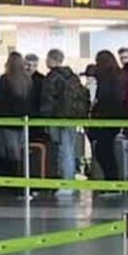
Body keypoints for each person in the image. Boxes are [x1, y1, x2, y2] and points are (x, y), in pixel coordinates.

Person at [38, 50, 89, 185]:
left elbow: (47, 100)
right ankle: (69, 178)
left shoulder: (52, 77)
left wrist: (44, 119)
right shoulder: (72, 76)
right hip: (72, 118)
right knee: (69, 149)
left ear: (50, 59)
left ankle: (65, 182)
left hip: (57, 118)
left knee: (62, 149)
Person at [0, 52, 35, 181]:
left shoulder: (5, 79)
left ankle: (11, 180)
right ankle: (21, 180)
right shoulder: (28, 80)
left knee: (9, 151)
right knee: (19, 151)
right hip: (23, 121)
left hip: (7, 121)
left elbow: (0, 102)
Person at [89, 51, 128, 183]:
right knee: (106, 149)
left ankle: (112, 180)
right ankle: (112, 180)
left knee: (103, 150)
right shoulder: (119, 75)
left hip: (107, 117)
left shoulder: (105, 77)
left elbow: (103, 97)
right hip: (117, 116)